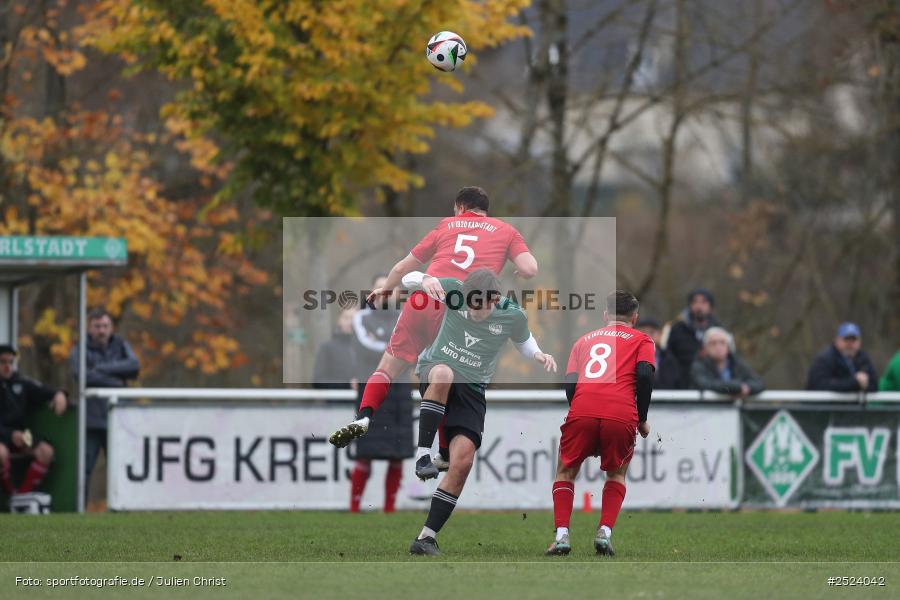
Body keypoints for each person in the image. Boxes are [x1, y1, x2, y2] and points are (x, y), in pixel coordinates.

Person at [329, 186, 538, 448]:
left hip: (422, 299)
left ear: (460, 207)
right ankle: (440, 449)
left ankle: (364, 416)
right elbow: (530, 268)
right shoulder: (507, 231)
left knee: (386, 369)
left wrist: (385, 289)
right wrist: (521, 274)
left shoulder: (446, 226)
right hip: (457, 310)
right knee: (442, 379)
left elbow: (402, 266)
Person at [404, 269, 557, 555]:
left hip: (473, 388)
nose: (473, 312)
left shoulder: (513, 314)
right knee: (443, 373)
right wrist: (425, 279)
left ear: (495, 300)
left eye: (479, 307)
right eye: (469, 305)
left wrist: (537, 354)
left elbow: (524, 342)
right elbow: (408, 277)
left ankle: (426, 538)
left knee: (462, 462)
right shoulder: (453, 288)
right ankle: (423, 453)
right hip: (436, 368)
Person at [545, 291, 654, 557]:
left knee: (565, 472)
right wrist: (642, 418)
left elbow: (570, 383)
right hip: (620, 411)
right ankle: (604, 532)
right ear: (635, 317)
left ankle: (561, 536)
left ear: (605, 315)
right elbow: (644, 374)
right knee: (616, 474)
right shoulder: (643, 339)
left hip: (582, 408)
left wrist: (582, 410)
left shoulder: (583, 341)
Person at [347, 275, 413, 513]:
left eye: (391, 288)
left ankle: (389, 510)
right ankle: (353, 509)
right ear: (372, 293)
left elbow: (412, 348)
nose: (386, 292)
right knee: (364, 454)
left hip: (400, 393)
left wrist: (387, 345)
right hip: (370, 392)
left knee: (397, 454)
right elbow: (365, 348)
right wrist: (394, 346)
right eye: (380, 288)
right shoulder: (361, 318)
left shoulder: (406, 317)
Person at [68, 308, 140, 499]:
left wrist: (100, 368)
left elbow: (133, 366)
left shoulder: (121, 345)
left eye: (105, 326)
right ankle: (80, 512)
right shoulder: (79, 348)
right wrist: (117, 382)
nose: (102, 330)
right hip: (90, 421)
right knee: (85, 468)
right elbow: (81, 375)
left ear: (112, 328)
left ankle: (122, 508)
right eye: (97, 326)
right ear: (90, 328)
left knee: (121, 468)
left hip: (118, 420)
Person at [0, 345, 67, 497]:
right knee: (1, 453)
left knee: (46, 451)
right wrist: (10, 435)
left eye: (11, 362)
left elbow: (45, 391)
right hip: (3, 437)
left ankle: (23, 495)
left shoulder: (21, 383)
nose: (7, 367)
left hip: (22, 435)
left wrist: (59, 394)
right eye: (3, 362)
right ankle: (10, 495)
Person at [665, 288, 721, 389]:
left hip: (713, 386)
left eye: (704, 302)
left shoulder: (720, 331)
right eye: (695, 302)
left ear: (710, 306)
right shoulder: (677, 330)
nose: (699, 306)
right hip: (682, 387)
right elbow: (668, 358)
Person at [690, 327, 764, 398]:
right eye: (713, 343)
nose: (718, 347)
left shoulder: (737, 363)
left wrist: (748, 388)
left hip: (735, 408)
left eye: (722, 342)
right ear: (705, 348)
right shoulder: (699, 365)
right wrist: (737, 388)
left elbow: (759, 383)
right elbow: (704, 384)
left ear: (728, 346)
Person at [806, 322, 878, 392]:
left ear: (860, 341)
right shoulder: (825, 359)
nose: (850, 344)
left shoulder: (863, 359)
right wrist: (854, 382)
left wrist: (865, 384)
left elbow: (874, 385)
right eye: (846, 339)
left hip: (853, 404)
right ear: (836, 340)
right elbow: (819, 385)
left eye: (853, 339)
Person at [312, 307, 358, 390]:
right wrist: (348, 384)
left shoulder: (366, 347)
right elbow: (318, 381)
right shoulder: (327, 347)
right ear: (339, 320)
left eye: (353, 318)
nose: (350, 322)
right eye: (346, 317)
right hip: (337, 401)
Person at [636, 318, 682, 389]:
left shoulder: (669, 359)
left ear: (660, 335)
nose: (647, 336)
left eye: (652, 332)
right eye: (643, 332)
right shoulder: (629, 357)